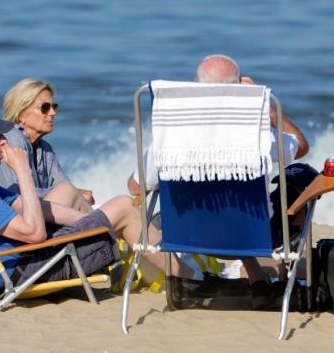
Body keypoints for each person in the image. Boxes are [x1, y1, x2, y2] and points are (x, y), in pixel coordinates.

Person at [127, 54, 310, 309]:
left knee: (210, 196)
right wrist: (263, 106)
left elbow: (135, 187)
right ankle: (270, 278)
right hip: (253, 238)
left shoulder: (171, 142)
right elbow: (301, 146)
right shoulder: (258, 140)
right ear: (237, 90)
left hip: (186, 235)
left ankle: (252, 275)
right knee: (301, 178)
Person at [0, 106, 195, 293]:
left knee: (81, 200)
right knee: (126, 207)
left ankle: (150, 255)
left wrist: (94, 222)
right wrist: (21, 169)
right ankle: (192, 279)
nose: (3, 142)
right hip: (20, 271)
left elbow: (23, 204)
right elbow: (35, 235)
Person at [0, 78, 94, 214]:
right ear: (21, 115)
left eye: (54, 107)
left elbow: (63, 184)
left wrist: (78, 195)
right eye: (45, 108)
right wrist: (75, 193)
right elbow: (13, 193)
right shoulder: (10, 140)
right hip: (15, 220)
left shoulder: (45, 148)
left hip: (39, 215)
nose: (53, 113)